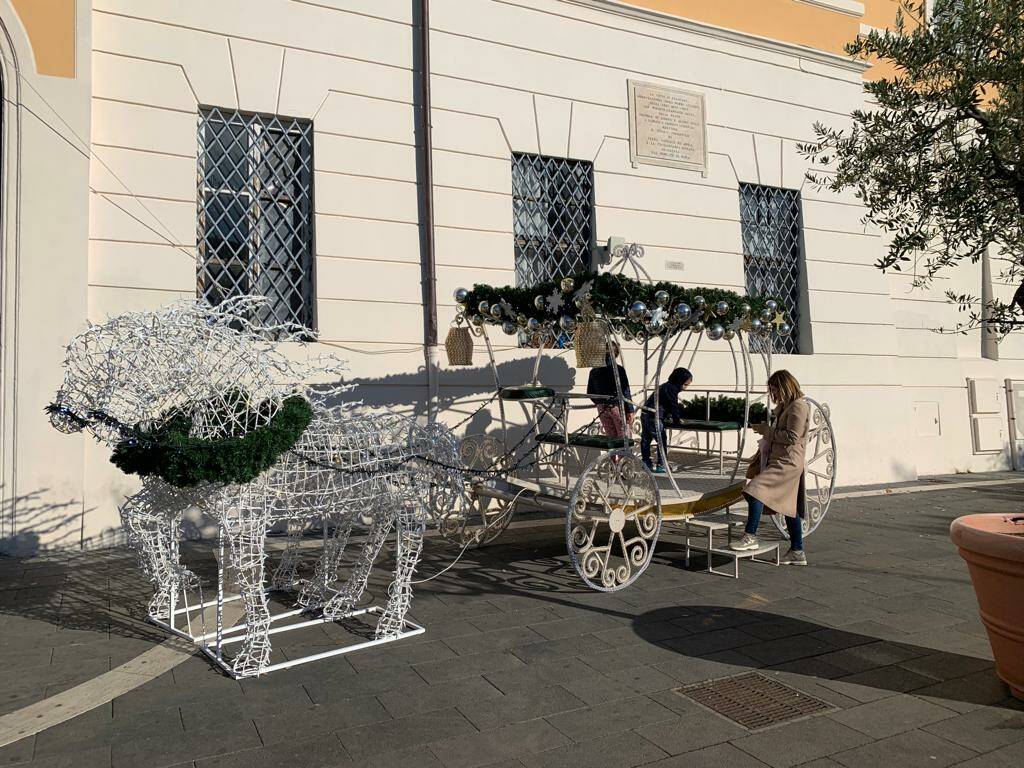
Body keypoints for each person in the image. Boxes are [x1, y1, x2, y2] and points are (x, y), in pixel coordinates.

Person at [731, 369, 810, 566]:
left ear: (785, 386)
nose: (774, 394)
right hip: (781, 459)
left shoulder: (798, 407)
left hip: (788, 462)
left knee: (755, 490)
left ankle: (750, 535)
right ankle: (797, 551)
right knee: (789, 507)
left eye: (775, 389)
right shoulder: (787, 406)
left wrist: (767, 431)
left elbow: (792, 436)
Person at [640, 367, 692, 473]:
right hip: (654, 416)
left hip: (646, 413)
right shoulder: (672, 388)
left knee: (646, 439)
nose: (685, 388)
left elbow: (665, 403)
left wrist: (668, 416)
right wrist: (676, 420)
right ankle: (661, 464)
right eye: (685, 384)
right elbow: (673, 405)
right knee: (661, 441)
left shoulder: (665, 386)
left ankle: (646, 463)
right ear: (679, 381)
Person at [587, 341, 634, 438]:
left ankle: (612, 454)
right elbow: (625, 391)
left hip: (601, 408)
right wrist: (630, 409)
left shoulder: (594, 371)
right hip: (617, 406)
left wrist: (600, 402)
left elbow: (590, 392)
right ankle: (623, 454)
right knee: (624, 438)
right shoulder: (618, 370)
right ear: (616, 354)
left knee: (611, 438)